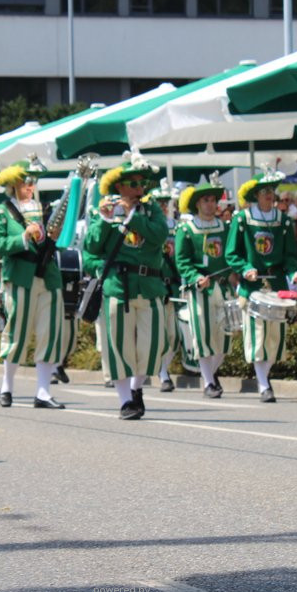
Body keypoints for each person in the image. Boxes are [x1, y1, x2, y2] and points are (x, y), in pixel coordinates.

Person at [84, 154, 169, 420]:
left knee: (151, 345)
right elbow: (92, 248)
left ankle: (136, 388)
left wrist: (131, 215)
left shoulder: (151, 209)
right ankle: (125, 402)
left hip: (150, 286)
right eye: (132, 183)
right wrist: (105, 220)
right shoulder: (104, 210)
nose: (138, 188)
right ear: (119, 186)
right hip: (118, 287)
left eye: (141, 183)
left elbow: (159, 235)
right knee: (118, 346)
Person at [0, 157, 67, 409]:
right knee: (17, 331)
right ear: (13, 184)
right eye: (26, 180)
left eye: (33, 180)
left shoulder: (43, 209)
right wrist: (23, 236)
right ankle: (7, 386)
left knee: (49, 332)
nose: (31, 185)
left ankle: (43, 391)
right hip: (19, 276)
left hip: (48, 276)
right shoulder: (2, 211)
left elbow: (58, 240)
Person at [226, 170, 297, 402]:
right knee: (256, 334)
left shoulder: (283, 220)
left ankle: (264, 377)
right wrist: (245, 268)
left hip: (277, 283)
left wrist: (294, 272)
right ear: (256, 195)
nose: (270, 196)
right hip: (252, 286)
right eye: (265, 192)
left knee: (275, 335)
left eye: (272, 191)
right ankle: (263, 384)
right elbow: (232, 253)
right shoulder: (242, 219)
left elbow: (291, 254)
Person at [174, 174, 231, 398]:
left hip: (223, 286)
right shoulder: (186, 230)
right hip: (200, 289)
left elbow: (231, 254)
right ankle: (208, 382)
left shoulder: (225, 227)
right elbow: (182, 261)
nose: (210, 204)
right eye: (206, 200)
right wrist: (195, 276)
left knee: (225, 337)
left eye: (213, 200)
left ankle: (210, 373)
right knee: (203, 334)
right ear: (197, 203)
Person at [150, 181, 181, 392]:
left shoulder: (176, 226)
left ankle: (163, 368)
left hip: (174, 286)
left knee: (175, 336)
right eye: (159, 203)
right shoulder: (151, 227)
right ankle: (162, 374)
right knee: (161, 334)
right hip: (157, 285)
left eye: (165, 203)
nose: (163, 206)